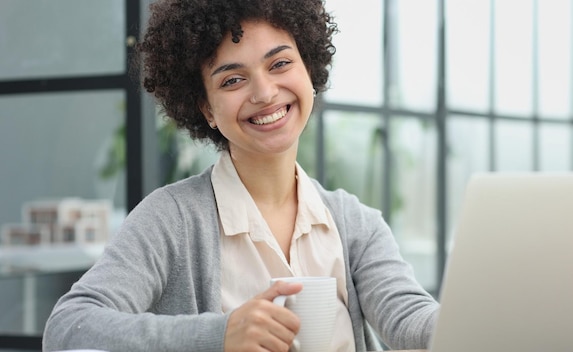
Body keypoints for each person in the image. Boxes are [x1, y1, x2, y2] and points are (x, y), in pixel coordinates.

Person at [42, 0, 439, 351]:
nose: (264, 93)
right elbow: (69, 327)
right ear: (207, 109)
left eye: (280, 63)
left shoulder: (356, 224)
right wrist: (220, 336)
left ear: (309, 68)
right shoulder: (171, 220)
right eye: (233, 80)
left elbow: (407, 319)